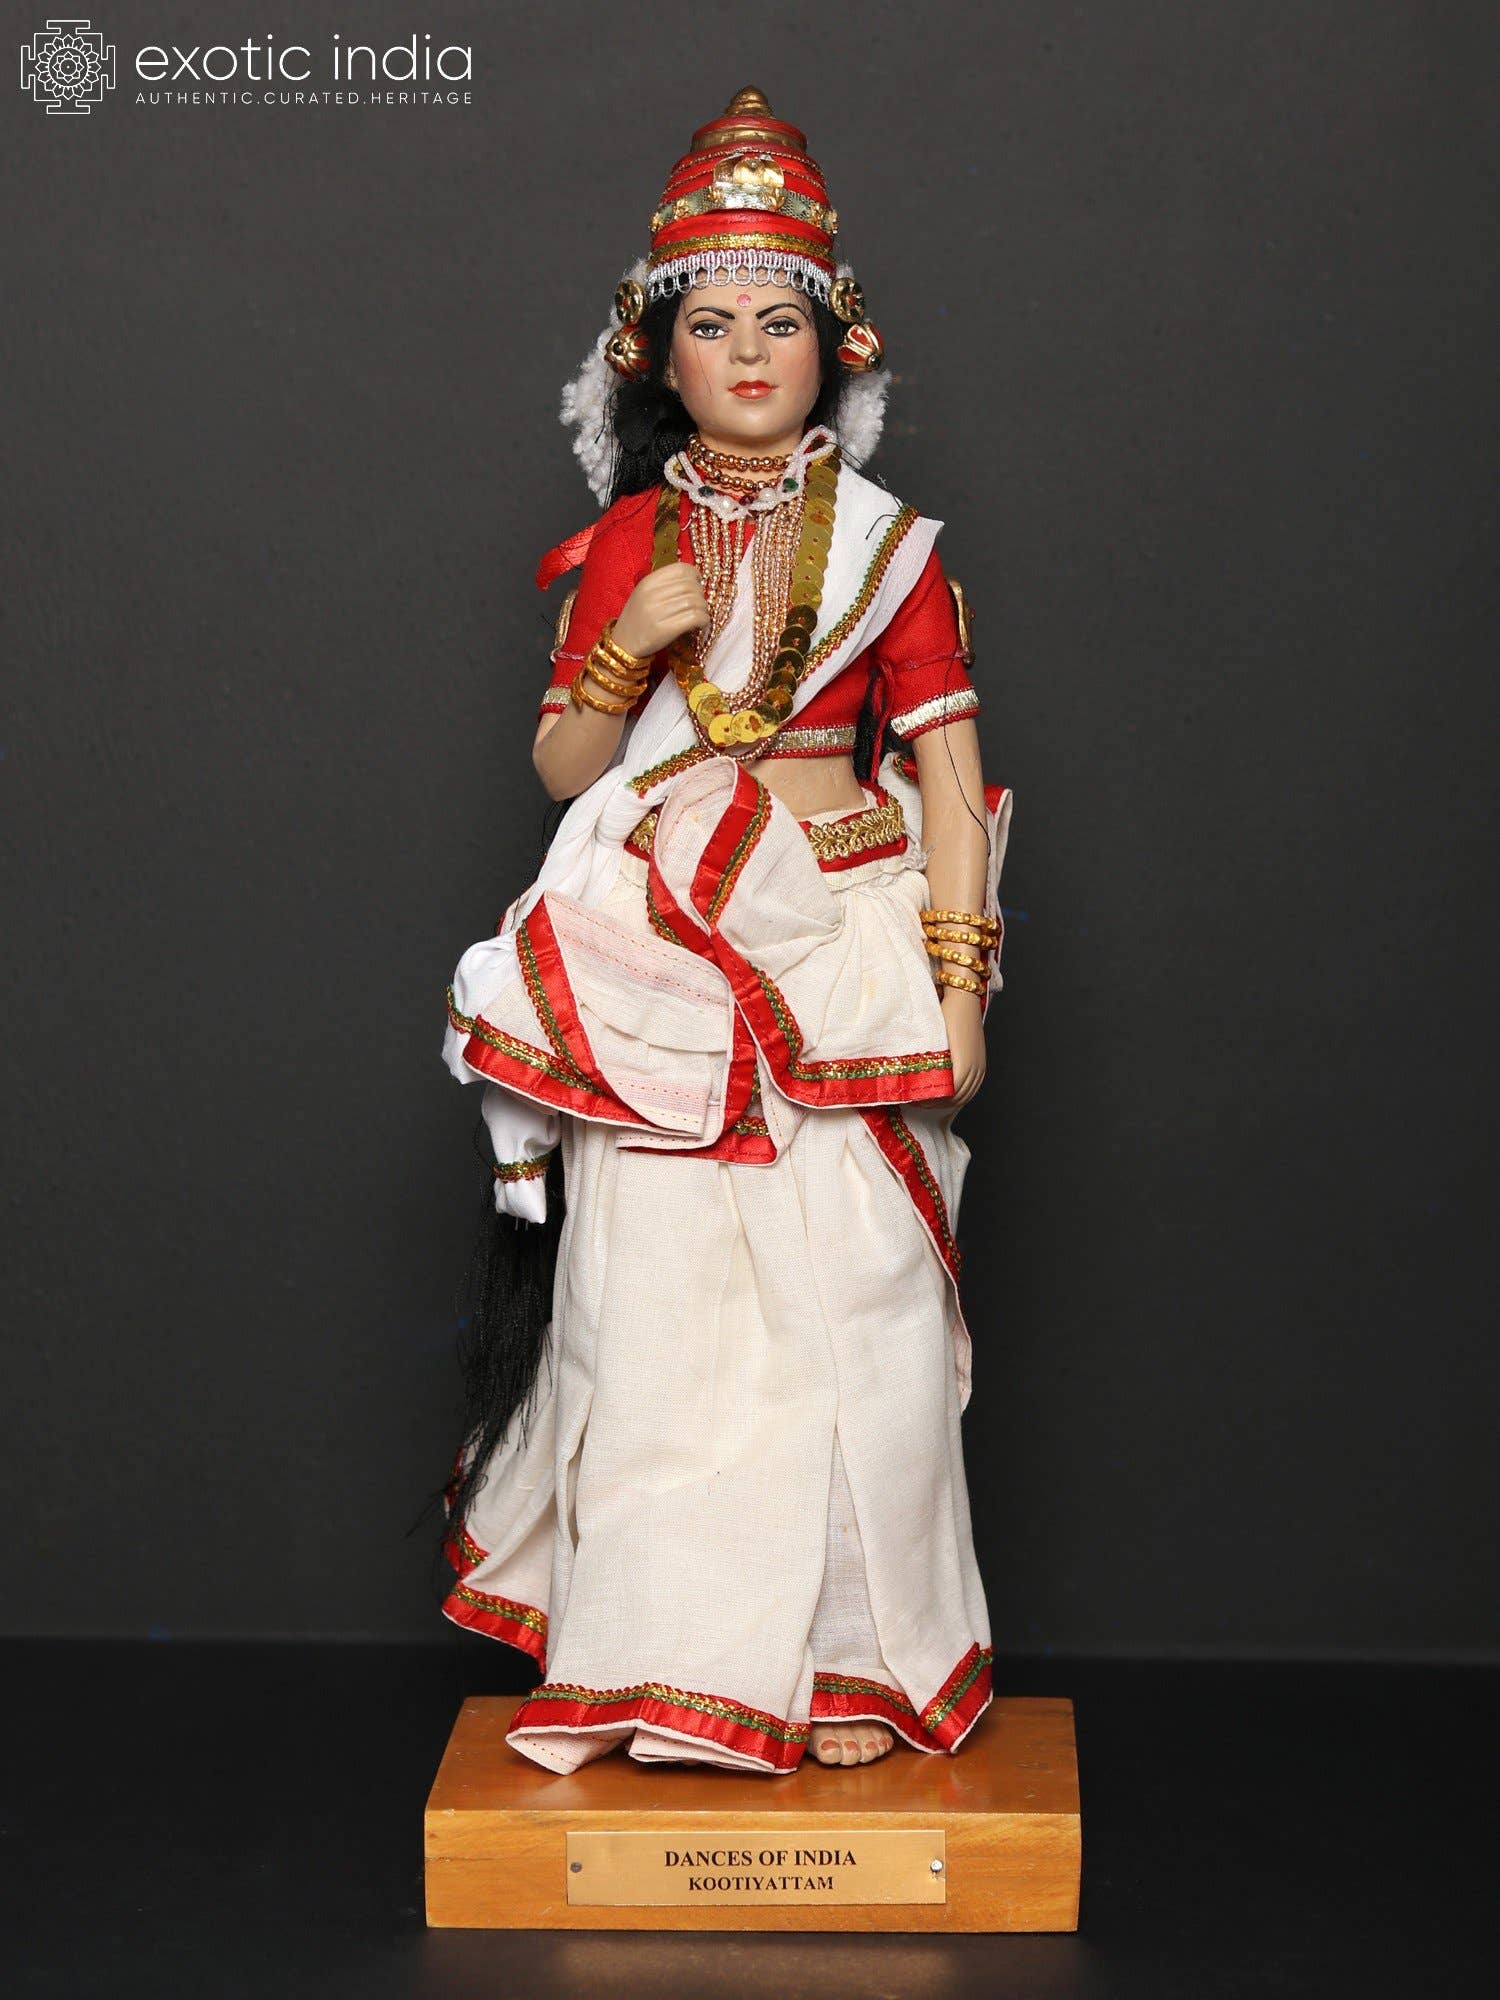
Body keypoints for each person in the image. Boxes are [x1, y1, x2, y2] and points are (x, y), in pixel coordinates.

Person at [439, 87, 1015, 1775]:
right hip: (664, 942)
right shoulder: (631, 532)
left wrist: (961, 986)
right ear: (657, 357)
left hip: (837, 925)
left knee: (858, 1306)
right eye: (713, 324)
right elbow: (564, 764)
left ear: (835, 346)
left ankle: (845, 1664)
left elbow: (953, 772)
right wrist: (627, 645)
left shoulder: (892, 553)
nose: (750, 353)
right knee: (661, 1304)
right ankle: (667, 1658)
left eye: (781, 321)